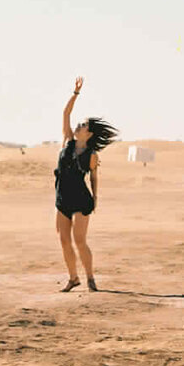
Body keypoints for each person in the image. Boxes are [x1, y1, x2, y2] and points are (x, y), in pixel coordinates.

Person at [54, 76, 118, 292]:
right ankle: (73, 278)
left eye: (82, 125)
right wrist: (76, 93)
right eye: (79, 124)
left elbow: (93, 177)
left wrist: (96, 198)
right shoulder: (67, 140)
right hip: (62, 197)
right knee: (64, 240)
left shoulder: (91, 155)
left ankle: (90, 278)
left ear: (88, 133)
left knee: (79, 240)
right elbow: (66, 114)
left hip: (81, 199)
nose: (78, 126)